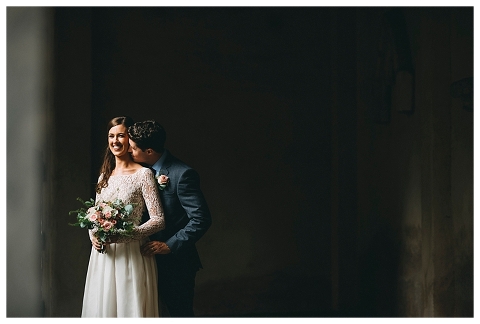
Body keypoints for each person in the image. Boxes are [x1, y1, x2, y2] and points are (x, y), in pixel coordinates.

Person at [81, 116, 165, 317]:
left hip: (132, 254)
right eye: (111, 136)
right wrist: (93, 235)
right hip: (104, 256)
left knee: (130, 308)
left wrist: (125, 237)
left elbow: (158, 219)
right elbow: (95, 213)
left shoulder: (143, 174)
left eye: (121, 135)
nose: (115, 141)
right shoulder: (104, 176)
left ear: (130, 141)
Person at [127, 120, 212, 317]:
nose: (129, 152)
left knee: (178, 315)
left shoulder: (182, 174)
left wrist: (170, 245)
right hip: (142, 259)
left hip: (176, 263)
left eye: (132, 148)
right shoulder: (137, 170)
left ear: (148, 151)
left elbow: (201, 218)